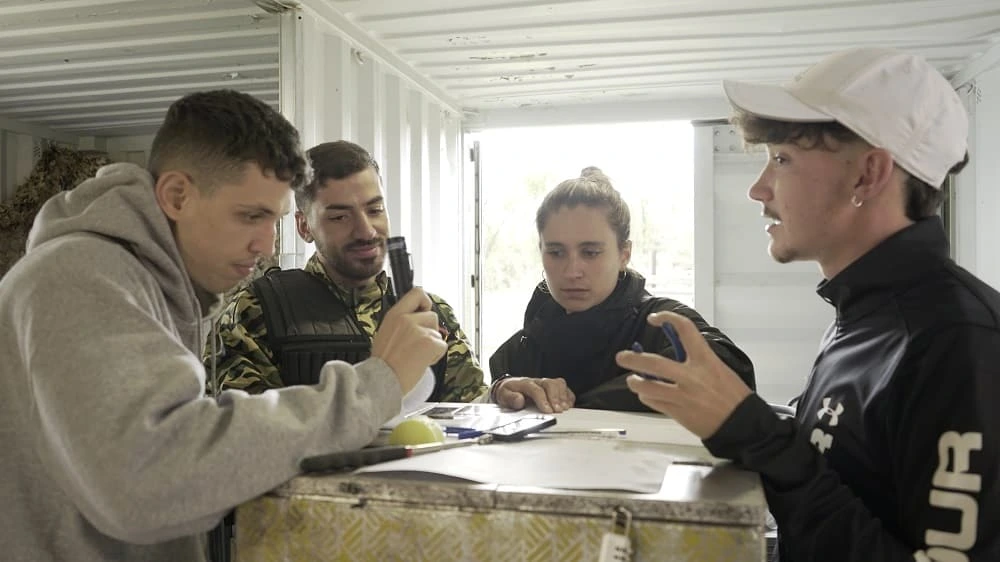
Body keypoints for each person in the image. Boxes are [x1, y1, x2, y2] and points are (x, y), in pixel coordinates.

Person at [0, 90, 447, 562]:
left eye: (273, 220)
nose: (265, 246)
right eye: (250, 216)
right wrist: (373, 386)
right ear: (177, 195)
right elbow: (149, 481)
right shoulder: (76, 277)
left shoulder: (156, 284)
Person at [618, 47, 1000, 561]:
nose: (758, 189)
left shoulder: (957, 342)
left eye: (781, 159)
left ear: (867, 175)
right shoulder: (866, 317)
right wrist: (740, 423)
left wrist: (753, 432)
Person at [207, 140, 487, 402]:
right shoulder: (255, 313)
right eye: (340, 217)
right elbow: (248, 435)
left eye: (375, 209)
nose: (366, 231)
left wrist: (500, 396)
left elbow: (471, 410)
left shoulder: (432, 313)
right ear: (305, 227)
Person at [489, 167, 755, 413]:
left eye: (591, 252)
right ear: (541, 252)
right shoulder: (522, 348)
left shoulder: (661, 323)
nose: (572, 271)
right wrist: (499, 391)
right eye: (556, 252)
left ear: (624, 254)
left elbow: (728, 370)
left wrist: (578, 408)